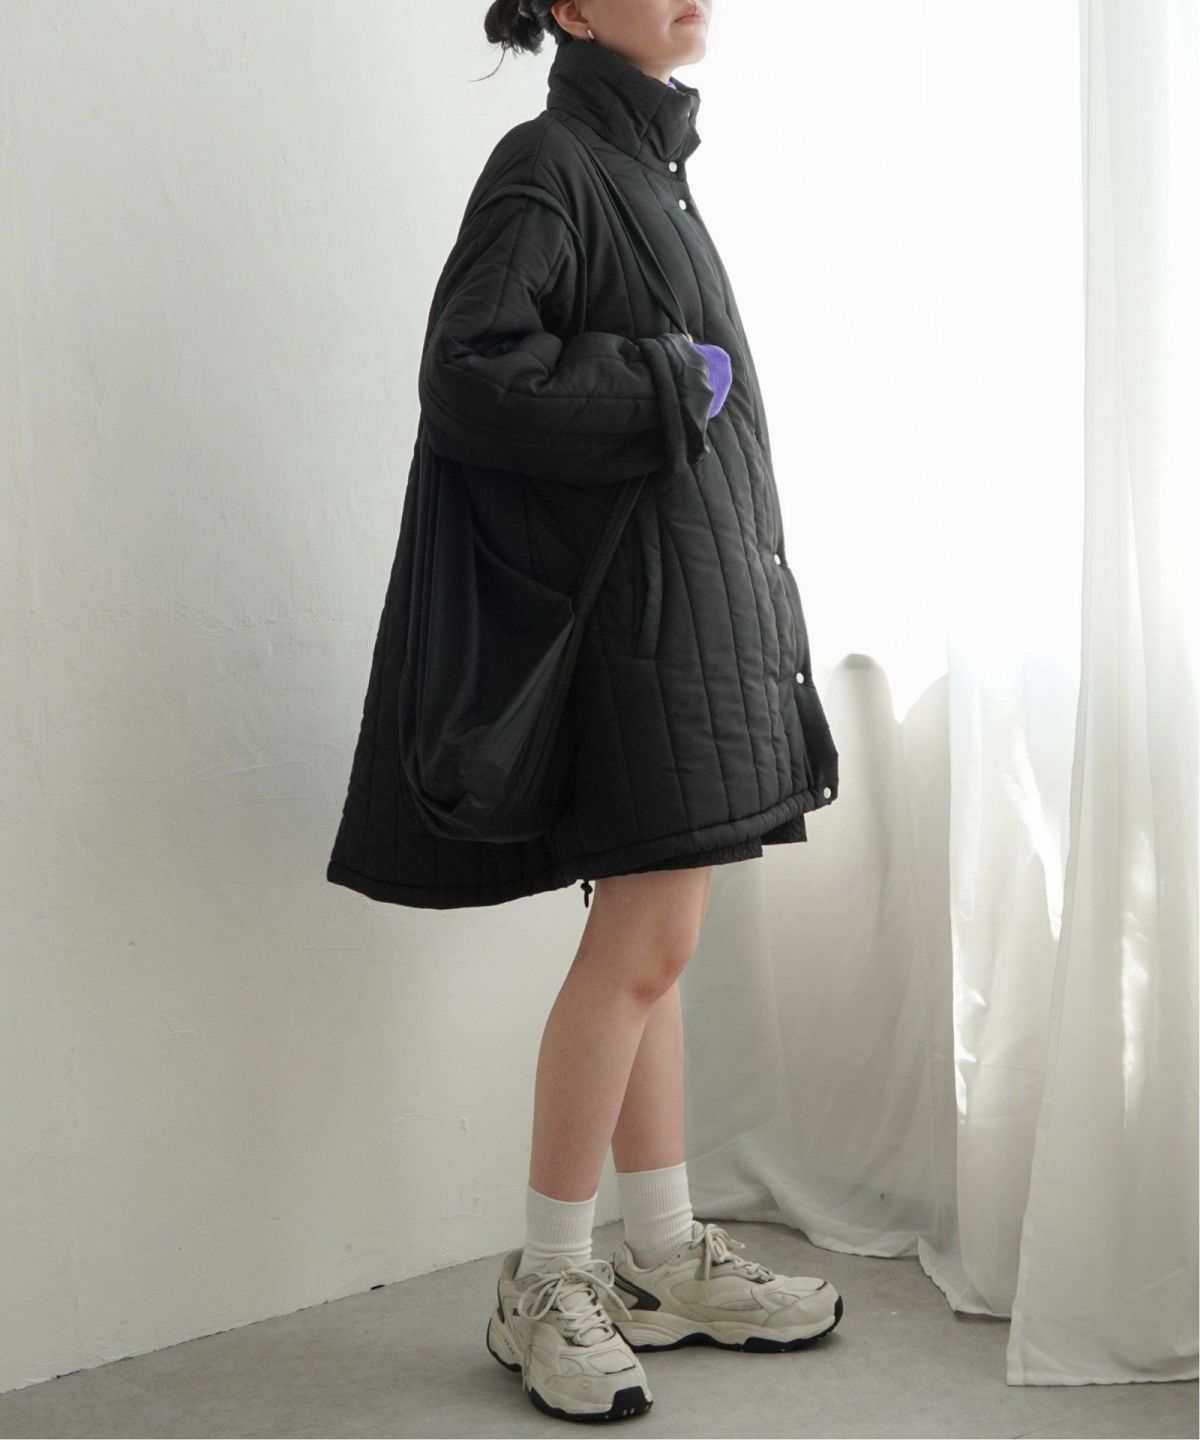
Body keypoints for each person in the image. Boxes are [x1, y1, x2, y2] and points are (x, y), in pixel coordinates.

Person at [327, 0, 843, 1421]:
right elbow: (469, 371)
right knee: (645, 948)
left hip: (685, 621)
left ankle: (660, 1256)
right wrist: (665, 378)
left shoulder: (644, 167)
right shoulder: (548, 164)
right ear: (567, 7)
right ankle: (549, 1276)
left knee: (652, 952)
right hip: (637, 633)